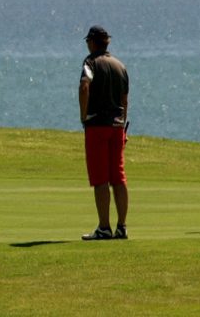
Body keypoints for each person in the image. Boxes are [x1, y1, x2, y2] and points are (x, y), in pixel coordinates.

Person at [79, 25, 130, 240]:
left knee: (100, 178)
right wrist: (123, 122)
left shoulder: (90, 62)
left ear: (92, 42)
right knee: (118, 177)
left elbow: (84, 86)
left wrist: (83, 116)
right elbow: (125, 99)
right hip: (117, 126)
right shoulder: (120, 66)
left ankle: (104, 227)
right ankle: (122, 226)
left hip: (97, 125)